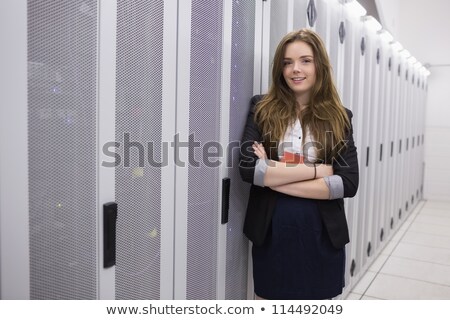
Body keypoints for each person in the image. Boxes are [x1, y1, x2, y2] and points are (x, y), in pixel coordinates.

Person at [239, 28, 359, 300]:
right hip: (272, 233)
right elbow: (249, 169)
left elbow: (348, 182)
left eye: (305, 60)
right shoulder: (262, 108)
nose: (295, 69)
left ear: (320, 65)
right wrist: (319, 170)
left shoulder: (340, 117)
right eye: (287, 62)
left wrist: (272, 175)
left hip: (322, 235)